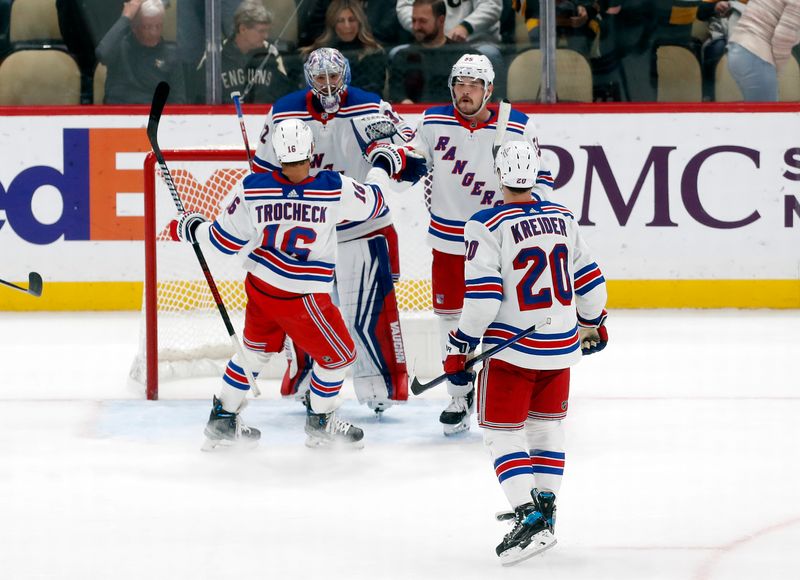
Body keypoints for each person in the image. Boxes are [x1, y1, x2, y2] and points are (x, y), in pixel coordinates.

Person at [169, 119, 409, 449]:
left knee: (254, 352)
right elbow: (377, 202)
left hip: (261, 287)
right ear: (311, 151)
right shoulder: (333, 187)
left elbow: (220, 242)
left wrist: (192, 228)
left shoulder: (252, 187)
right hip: (303, 294)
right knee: (339, 357)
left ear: (278, 153)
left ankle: (222, 420)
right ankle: (321, 425)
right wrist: (382, 164)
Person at [443, 141, 608, 565]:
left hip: (513, 349)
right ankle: (547, 512)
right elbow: (591, 281)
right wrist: (592, 323)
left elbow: (482, 300)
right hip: (561, 346)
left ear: (498, 175)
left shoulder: (486, 223)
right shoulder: (563, 218)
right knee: (546, 428)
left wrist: (460, 345)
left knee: (501, 432)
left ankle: (528, 516)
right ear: (537, 174)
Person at [253, 47, 419, 415]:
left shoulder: (371, 106)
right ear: (308, 80)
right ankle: (305, 381)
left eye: (333, 76)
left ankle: (380, 387)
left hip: (362, 223)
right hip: (307, 227)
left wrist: (392, 157)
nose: (327, 84)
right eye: (320, 77)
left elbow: (410, 147)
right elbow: (263, 169)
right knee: (304, 309)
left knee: (368, 310)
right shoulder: (284, 110)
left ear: (345, 74)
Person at [406, 53, 553, 435]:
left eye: (473, 85)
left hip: (499, 244)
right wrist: (388, 159)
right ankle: (459, 395)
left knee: (502, 319)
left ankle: (509, 392)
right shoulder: (433, 120)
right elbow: (410, 162)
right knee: (450, 320)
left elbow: (542, 181)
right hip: (449, 242)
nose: (465, 92)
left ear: (489, 89)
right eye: (459, 83)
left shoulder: (518, 126)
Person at [189, 0, 293, 103]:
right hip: (224, 118)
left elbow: (285, 91)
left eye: (267, 31)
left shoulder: (271, 52)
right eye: (261, 31)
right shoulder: (216, 52)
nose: (266, 36)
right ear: (242, 29)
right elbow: (199, 94)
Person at [95, 0, 186, 104]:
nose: (154, 32)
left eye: (158, 26)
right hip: (119, 113)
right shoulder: (119, 46)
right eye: (147, 27)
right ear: (134, 27)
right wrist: (126, 18)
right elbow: (102, 55)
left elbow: (179, 102)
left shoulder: (171, 54)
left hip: (154, 115)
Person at [388, 0, 474, 103]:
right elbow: (396, 91)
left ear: (441, 20)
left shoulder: (463, 55)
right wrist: (404, 101)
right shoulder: (403, 56)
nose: (416, 27)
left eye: (422, 21)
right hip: (414, 115)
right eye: (413, 20)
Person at [302, 0, 387, 95]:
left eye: (352, 20)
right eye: (340, 21)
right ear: (333, 24)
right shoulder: (316, 55)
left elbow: (374, 91)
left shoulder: (374, 53)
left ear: (359, 22)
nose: (347, 26)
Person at [727, 0, 800, 102]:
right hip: (756, 54)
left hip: (739, 49)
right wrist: (777, 68)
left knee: (758, 113)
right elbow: (783, 38)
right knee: (766, 115)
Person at [396, 0, 503, 43]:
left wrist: (466, 27)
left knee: (489, 54)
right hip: (428, 42)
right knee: (396, 54)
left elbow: (491, 6)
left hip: (475, 42)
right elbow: (404, 7)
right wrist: (423, 26)